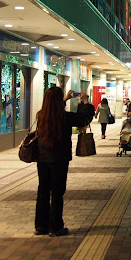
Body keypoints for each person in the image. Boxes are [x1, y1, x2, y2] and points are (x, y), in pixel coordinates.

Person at [35, 87, 85, 237]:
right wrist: (85, 102)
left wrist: (64, 101)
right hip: (59, 159)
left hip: (42, 158)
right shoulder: (64, 117)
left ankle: (41, 226)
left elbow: (53, 111)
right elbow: (83, 119)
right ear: (58, 100)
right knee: (57, 193)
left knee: (43, 191)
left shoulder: (41, 115)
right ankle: (55, 227)